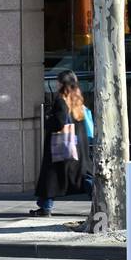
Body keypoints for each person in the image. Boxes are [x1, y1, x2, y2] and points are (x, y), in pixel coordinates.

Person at [31, 70, 89, 216]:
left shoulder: (61, 100)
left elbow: (59, 122)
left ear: (63, 83)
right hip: (76, 146)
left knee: (51, 177)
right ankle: (45, 206)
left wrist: (47, 120)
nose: (56, 84)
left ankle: (46, 207)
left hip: (60, 146)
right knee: (80, 177)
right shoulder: (78, 99)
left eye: (58, 81)